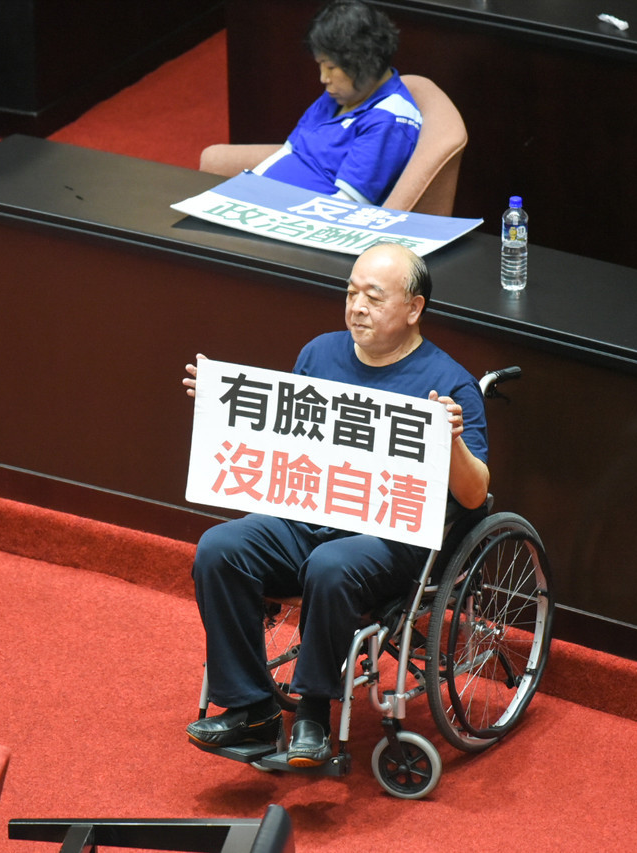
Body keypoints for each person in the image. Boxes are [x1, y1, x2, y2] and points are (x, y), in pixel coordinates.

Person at [182, 242, 489, 767]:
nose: (357, 307)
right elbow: (281, 443)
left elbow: (475, 494)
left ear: (414, 308)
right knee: (219, 548)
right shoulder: (319, 354)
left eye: (374, 296)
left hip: (389, 537)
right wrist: (222, 402)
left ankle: (313, 712)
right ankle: (251, 708)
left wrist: (452, 440)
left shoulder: (449, 383)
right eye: (350, 293)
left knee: (329, 565)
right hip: (308, 517)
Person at [252, 0, 421, 206]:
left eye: (331, 67)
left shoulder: (388, 121)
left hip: (296, 217)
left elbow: (344, 206)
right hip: (262, 202)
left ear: (366, 61)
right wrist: (247, 186)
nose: (323, 78)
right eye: (320, 65)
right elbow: (288, 152)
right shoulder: (341, 95)